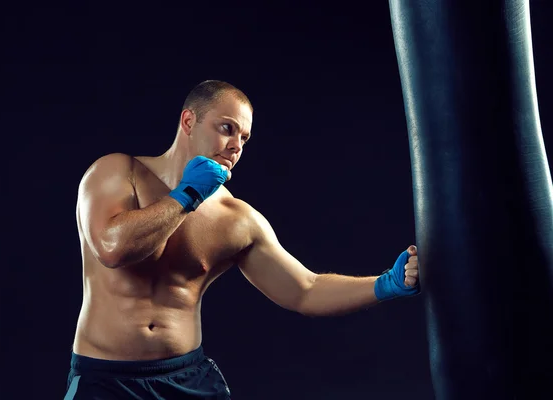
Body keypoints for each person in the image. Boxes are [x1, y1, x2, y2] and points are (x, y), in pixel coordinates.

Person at [65, 80, 421, 400]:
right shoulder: (118, 172)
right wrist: (187, 196)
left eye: (244, 138)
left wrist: (384, 284)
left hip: (186, 380)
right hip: (106, 380)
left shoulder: (237, 219)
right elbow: (112, 249)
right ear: (188, 122)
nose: (235, 146)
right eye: (226, 129)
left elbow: (305, 290)